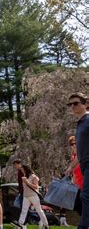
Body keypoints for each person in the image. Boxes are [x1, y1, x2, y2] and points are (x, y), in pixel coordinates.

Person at [64, 92, 89, 229]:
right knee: (82, 198)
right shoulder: (80, 124)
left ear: (85, 104)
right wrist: (71, 168)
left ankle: (83, 226)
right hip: (85, 166)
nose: (72, 106)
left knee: (85, 196)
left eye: (76, 103)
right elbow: (80, 152)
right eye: (70, 104)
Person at [11, 165, 49, 229]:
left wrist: (27, 182)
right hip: (26, 196)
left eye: (22, 169)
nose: (22, 171)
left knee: (39, 210)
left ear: (26, 169)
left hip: (33, 196)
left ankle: (46, 224)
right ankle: (20, 223)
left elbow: (36, 187)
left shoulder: (33, 176)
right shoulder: (24, 177)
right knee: (24, 210)